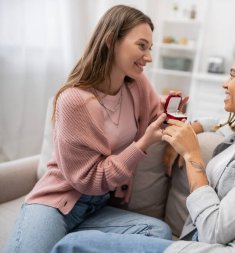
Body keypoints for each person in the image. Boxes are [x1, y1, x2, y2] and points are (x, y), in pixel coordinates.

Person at [50, 43, 235, 253]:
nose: (225, 84)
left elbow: (215, 231)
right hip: (195, 245)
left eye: (232, 75)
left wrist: (192, 154)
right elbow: (218, 124)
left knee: (73, 245)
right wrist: (190, 128)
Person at [4, 5, 174, 253]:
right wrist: (142, 145)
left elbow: (159, 115)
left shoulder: (137, 85)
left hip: (98, 208)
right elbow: (91, 180)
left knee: (157, 232)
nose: (148, 56)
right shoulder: (75, 101)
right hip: (57, 204)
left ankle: (71, 245)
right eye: (141, 46)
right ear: (110, 41)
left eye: (150, 48)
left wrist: (179, 135)